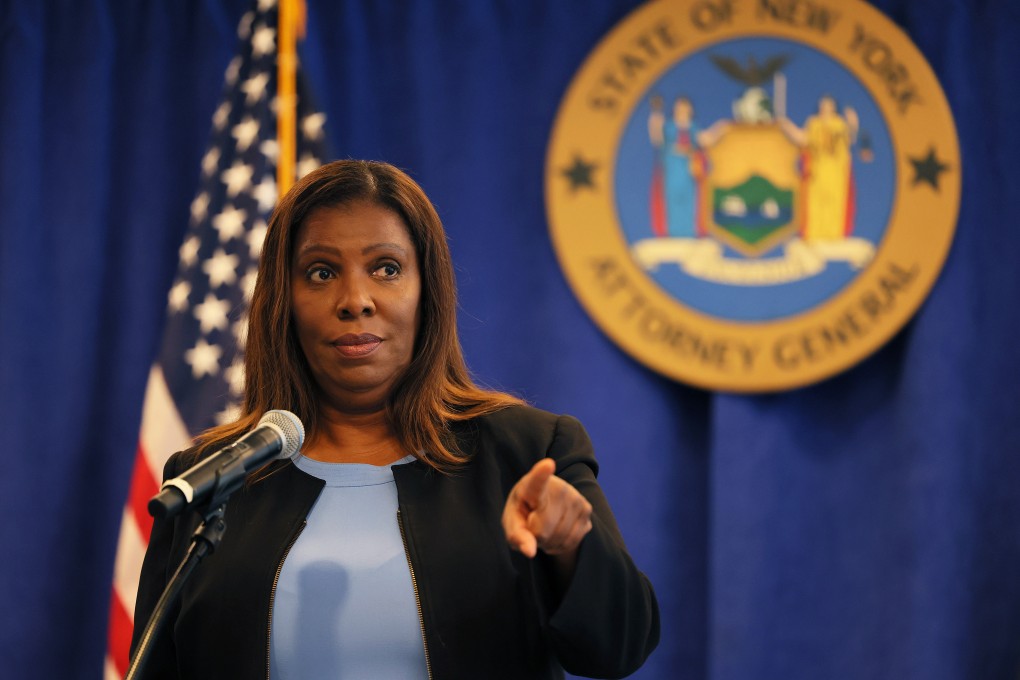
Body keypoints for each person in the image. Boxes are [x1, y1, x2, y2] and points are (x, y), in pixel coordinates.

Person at [131, 160, 660, 679]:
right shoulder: (211, 478)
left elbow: (621, 647)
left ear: (427, 290)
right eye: (321, 272)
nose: (355, 300)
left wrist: (570, 548)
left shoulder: (528, 453)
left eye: (386, 268)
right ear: (283, 302)